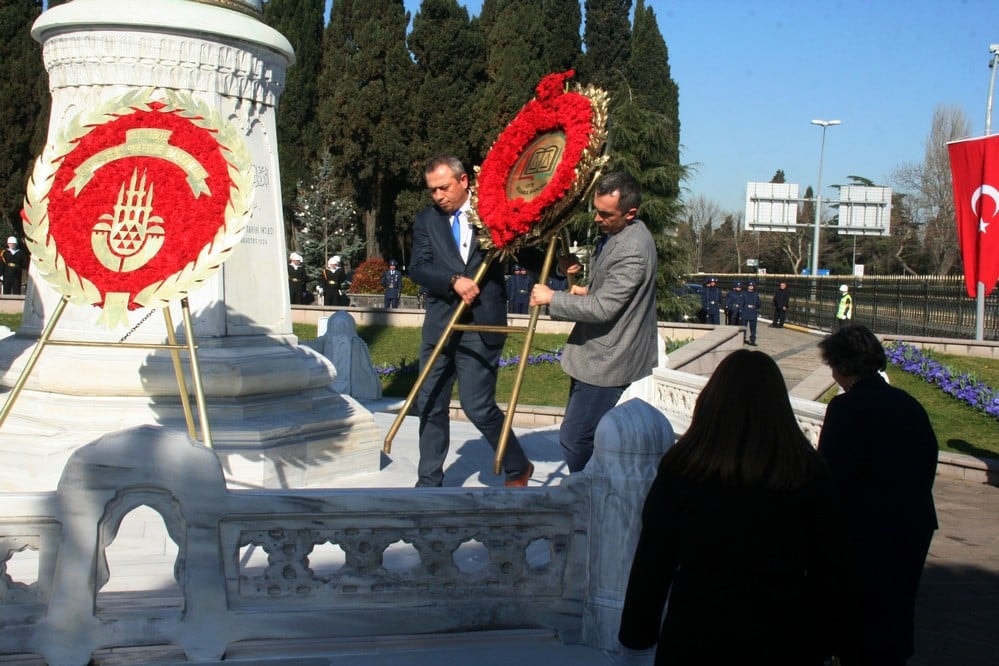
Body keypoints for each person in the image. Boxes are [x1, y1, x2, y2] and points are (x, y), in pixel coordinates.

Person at [619, 349, 856, 665]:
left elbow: (655, 556)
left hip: (698, 629)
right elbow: (830, 564)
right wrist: (834, 639)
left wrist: (638, 631)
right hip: (784, 633)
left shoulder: (684, 467)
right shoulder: (807, 471)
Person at [409, 155, 533, 488]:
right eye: (432, 190)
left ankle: (517, 465)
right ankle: (429, 480)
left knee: (477, 405)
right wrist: (452, 279)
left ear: (464, 181)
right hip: (440, 324)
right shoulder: (426, 221)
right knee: (430, 401)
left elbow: (527, 251)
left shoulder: (493, 214)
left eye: (444, 188)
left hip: (481, 324)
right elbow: (418, 267)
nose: (438, 196)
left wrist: (562, 266)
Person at [817, 325, 938, 665]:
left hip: (865, 530)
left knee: (861, 618)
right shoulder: (908, 404)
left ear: (840, 366)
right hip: (912, 522)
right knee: (897, 608)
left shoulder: (846, 408)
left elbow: (833, 475)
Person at [530, 171, 658, 473]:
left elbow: (603, 309)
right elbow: (609, 294)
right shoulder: (622, 234)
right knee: (586, 434)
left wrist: (552, 298)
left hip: (608, 360)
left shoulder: (631, 249)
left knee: (576, 437)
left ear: (630, 213)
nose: (598, 219)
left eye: (605, 214)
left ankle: (591, 495)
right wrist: (587, 288)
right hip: (601, 354)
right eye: (596, 211)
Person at [742, 280, 762, 345]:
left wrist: (756, 307)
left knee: (753, 328)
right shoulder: (744, 293)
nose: (751, 287)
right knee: (743, 327)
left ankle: (752, 340)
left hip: (753, 312)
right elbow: (741, 302)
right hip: (745, 311)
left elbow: (758, 303)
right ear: (748, 286)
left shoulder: (755, 294)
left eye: (752, 286)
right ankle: (742, 339)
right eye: (750, 286)